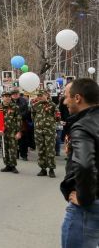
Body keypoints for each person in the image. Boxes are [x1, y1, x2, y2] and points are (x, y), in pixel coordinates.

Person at [60, 78, 99, 247]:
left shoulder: (82, 125)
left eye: (67, 96)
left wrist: (84, 198)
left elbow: (84, 164)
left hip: (90, 206)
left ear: (78, 98)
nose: (64, 101)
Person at [31, 89, 58, 177]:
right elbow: (33, 117)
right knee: (41, 150)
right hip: (38, 131)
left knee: (50, 150)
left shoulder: (53, 105)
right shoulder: (35, 105)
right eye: (39, 96)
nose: (40, 97)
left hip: (49, 131)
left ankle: (51, 169)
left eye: (42, 95)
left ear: (47, 95)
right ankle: (43, 169)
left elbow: (58, 117)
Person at [0, 92, 21, 173]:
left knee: (13, 149)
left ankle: (13, 166)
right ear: (2, 97)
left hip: (12, 131)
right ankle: (7, 165)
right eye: (5, 96)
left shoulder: (15, 107)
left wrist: (18, 132)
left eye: (9, 96)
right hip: (2, 132)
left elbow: (19, 120)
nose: (7, 98)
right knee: (4, 149)